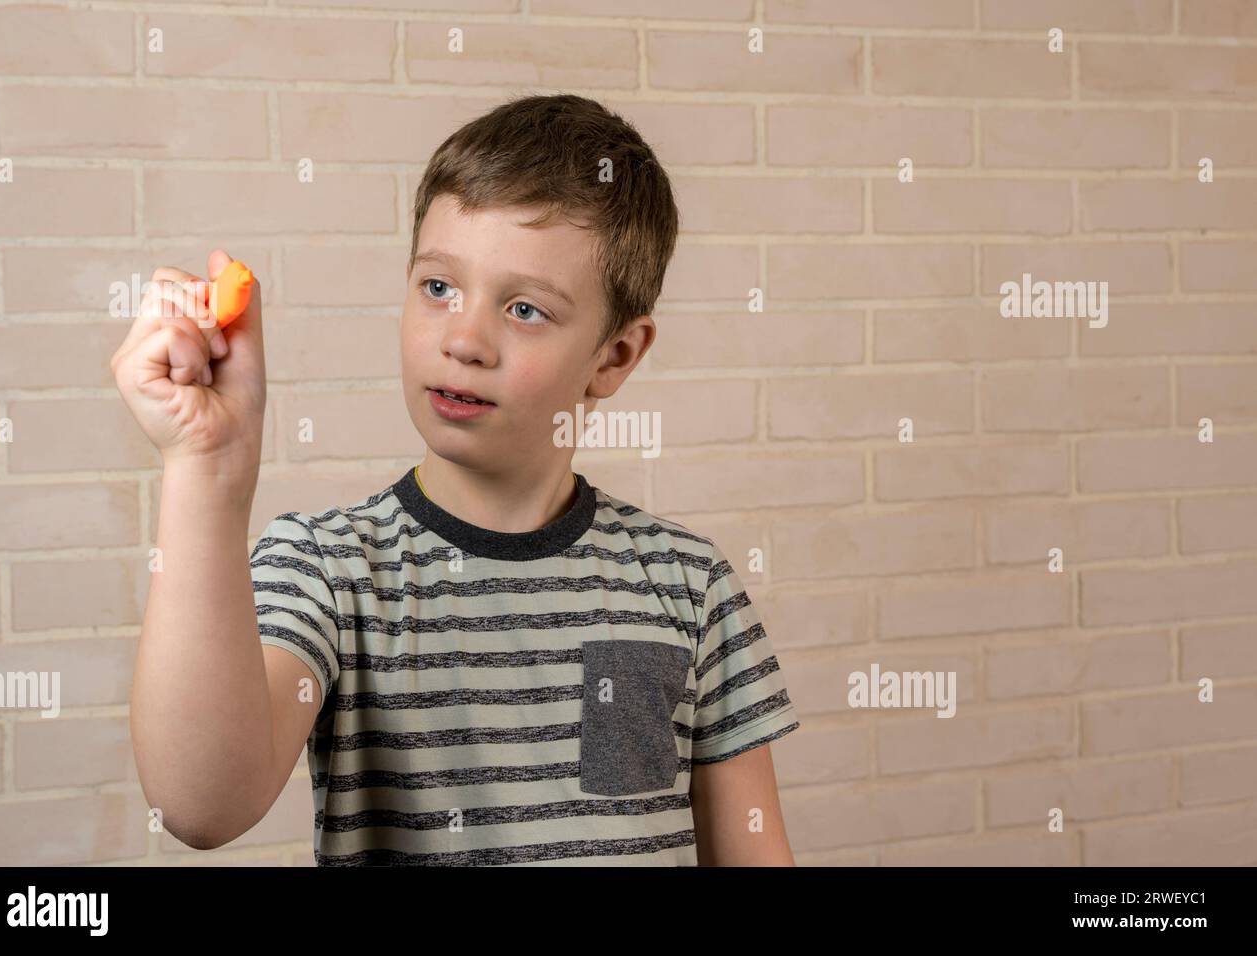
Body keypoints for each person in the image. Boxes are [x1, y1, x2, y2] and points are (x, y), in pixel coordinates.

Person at [113, 93, 799, 866]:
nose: (465, 340)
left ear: (614, 358)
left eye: (526, 309)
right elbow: (200, 805)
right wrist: (208, 470)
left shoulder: (688, 585)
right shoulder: (328, 572)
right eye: (439, 288)